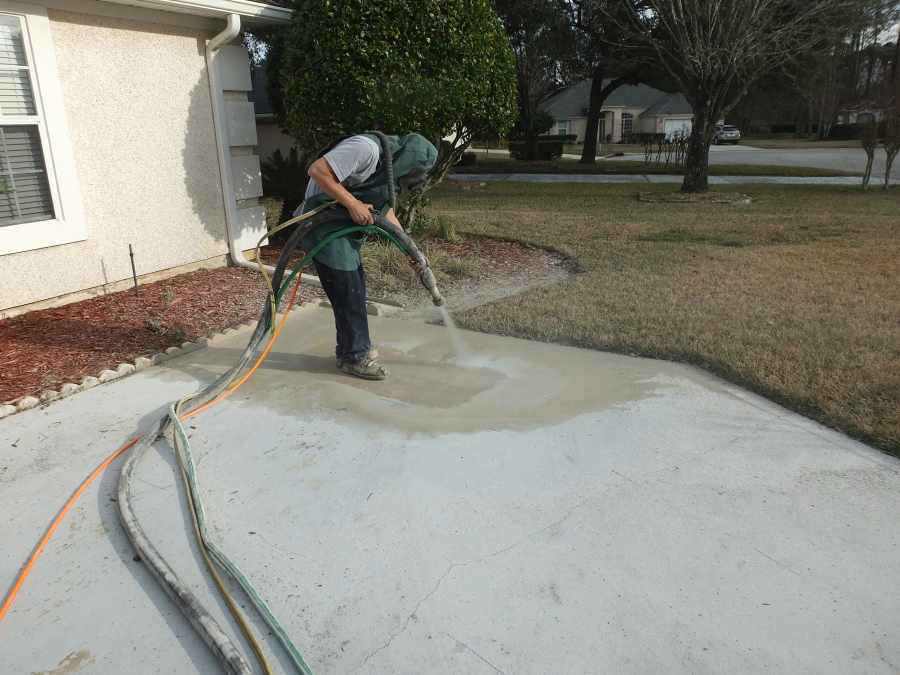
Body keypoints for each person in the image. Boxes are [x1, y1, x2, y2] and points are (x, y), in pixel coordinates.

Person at [297, 133, 437, 381]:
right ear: (408, 160)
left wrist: (411, 251)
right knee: (348, 290)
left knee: (353, 289)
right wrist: (353, 204)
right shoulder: (367, 150)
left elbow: (386, 211)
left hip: (338, 221)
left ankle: (350, 349)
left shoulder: (389, 165)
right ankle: (354, 357)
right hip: (322, 220)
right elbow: (317, 170)